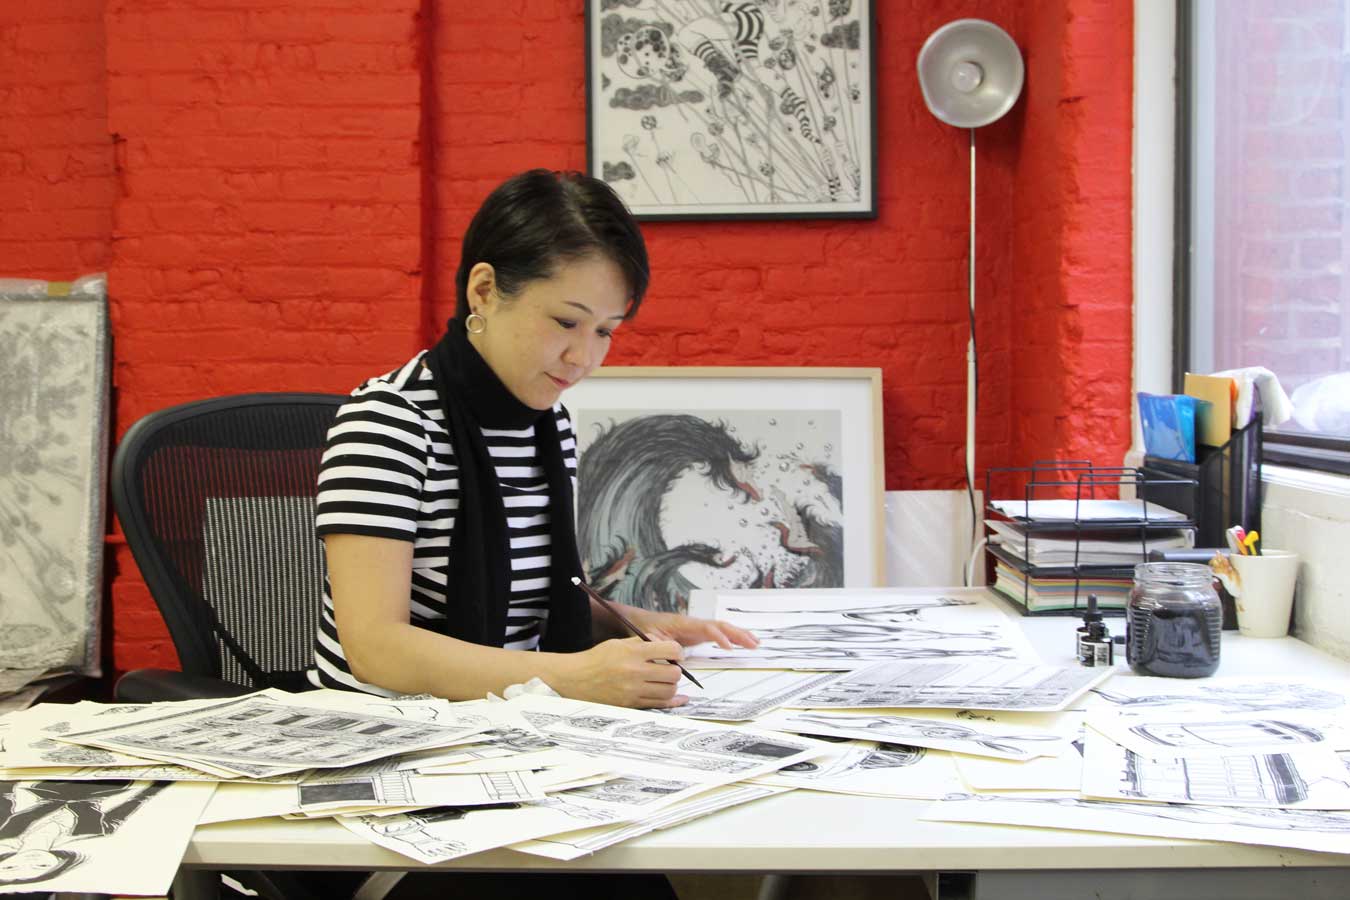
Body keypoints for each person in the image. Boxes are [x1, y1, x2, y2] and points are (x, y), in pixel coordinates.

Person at [311, 169, 758, 708]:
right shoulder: (389, 421)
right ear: (484, 291)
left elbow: (534, 598)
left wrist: (648, 625)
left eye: (604, 330)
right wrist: (571, 677)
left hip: (508, 720)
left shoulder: (548, 425)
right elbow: (375, 648)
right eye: (567, 322)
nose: (584, 357)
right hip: (384, 727)